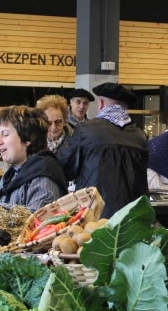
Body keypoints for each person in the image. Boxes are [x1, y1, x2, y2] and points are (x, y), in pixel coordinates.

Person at [56, 82, 149, 218]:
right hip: (131, 218)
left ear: (101, 104)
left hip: (94, 216)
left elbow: (64, 169)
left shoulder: (86, 131)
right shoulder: (140, 136)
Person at [0, 105, 67, 211]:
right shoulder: (11, 174)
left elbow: (34, 223)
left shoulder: (42, 177)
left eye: (5, 134)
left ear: (28, 138)